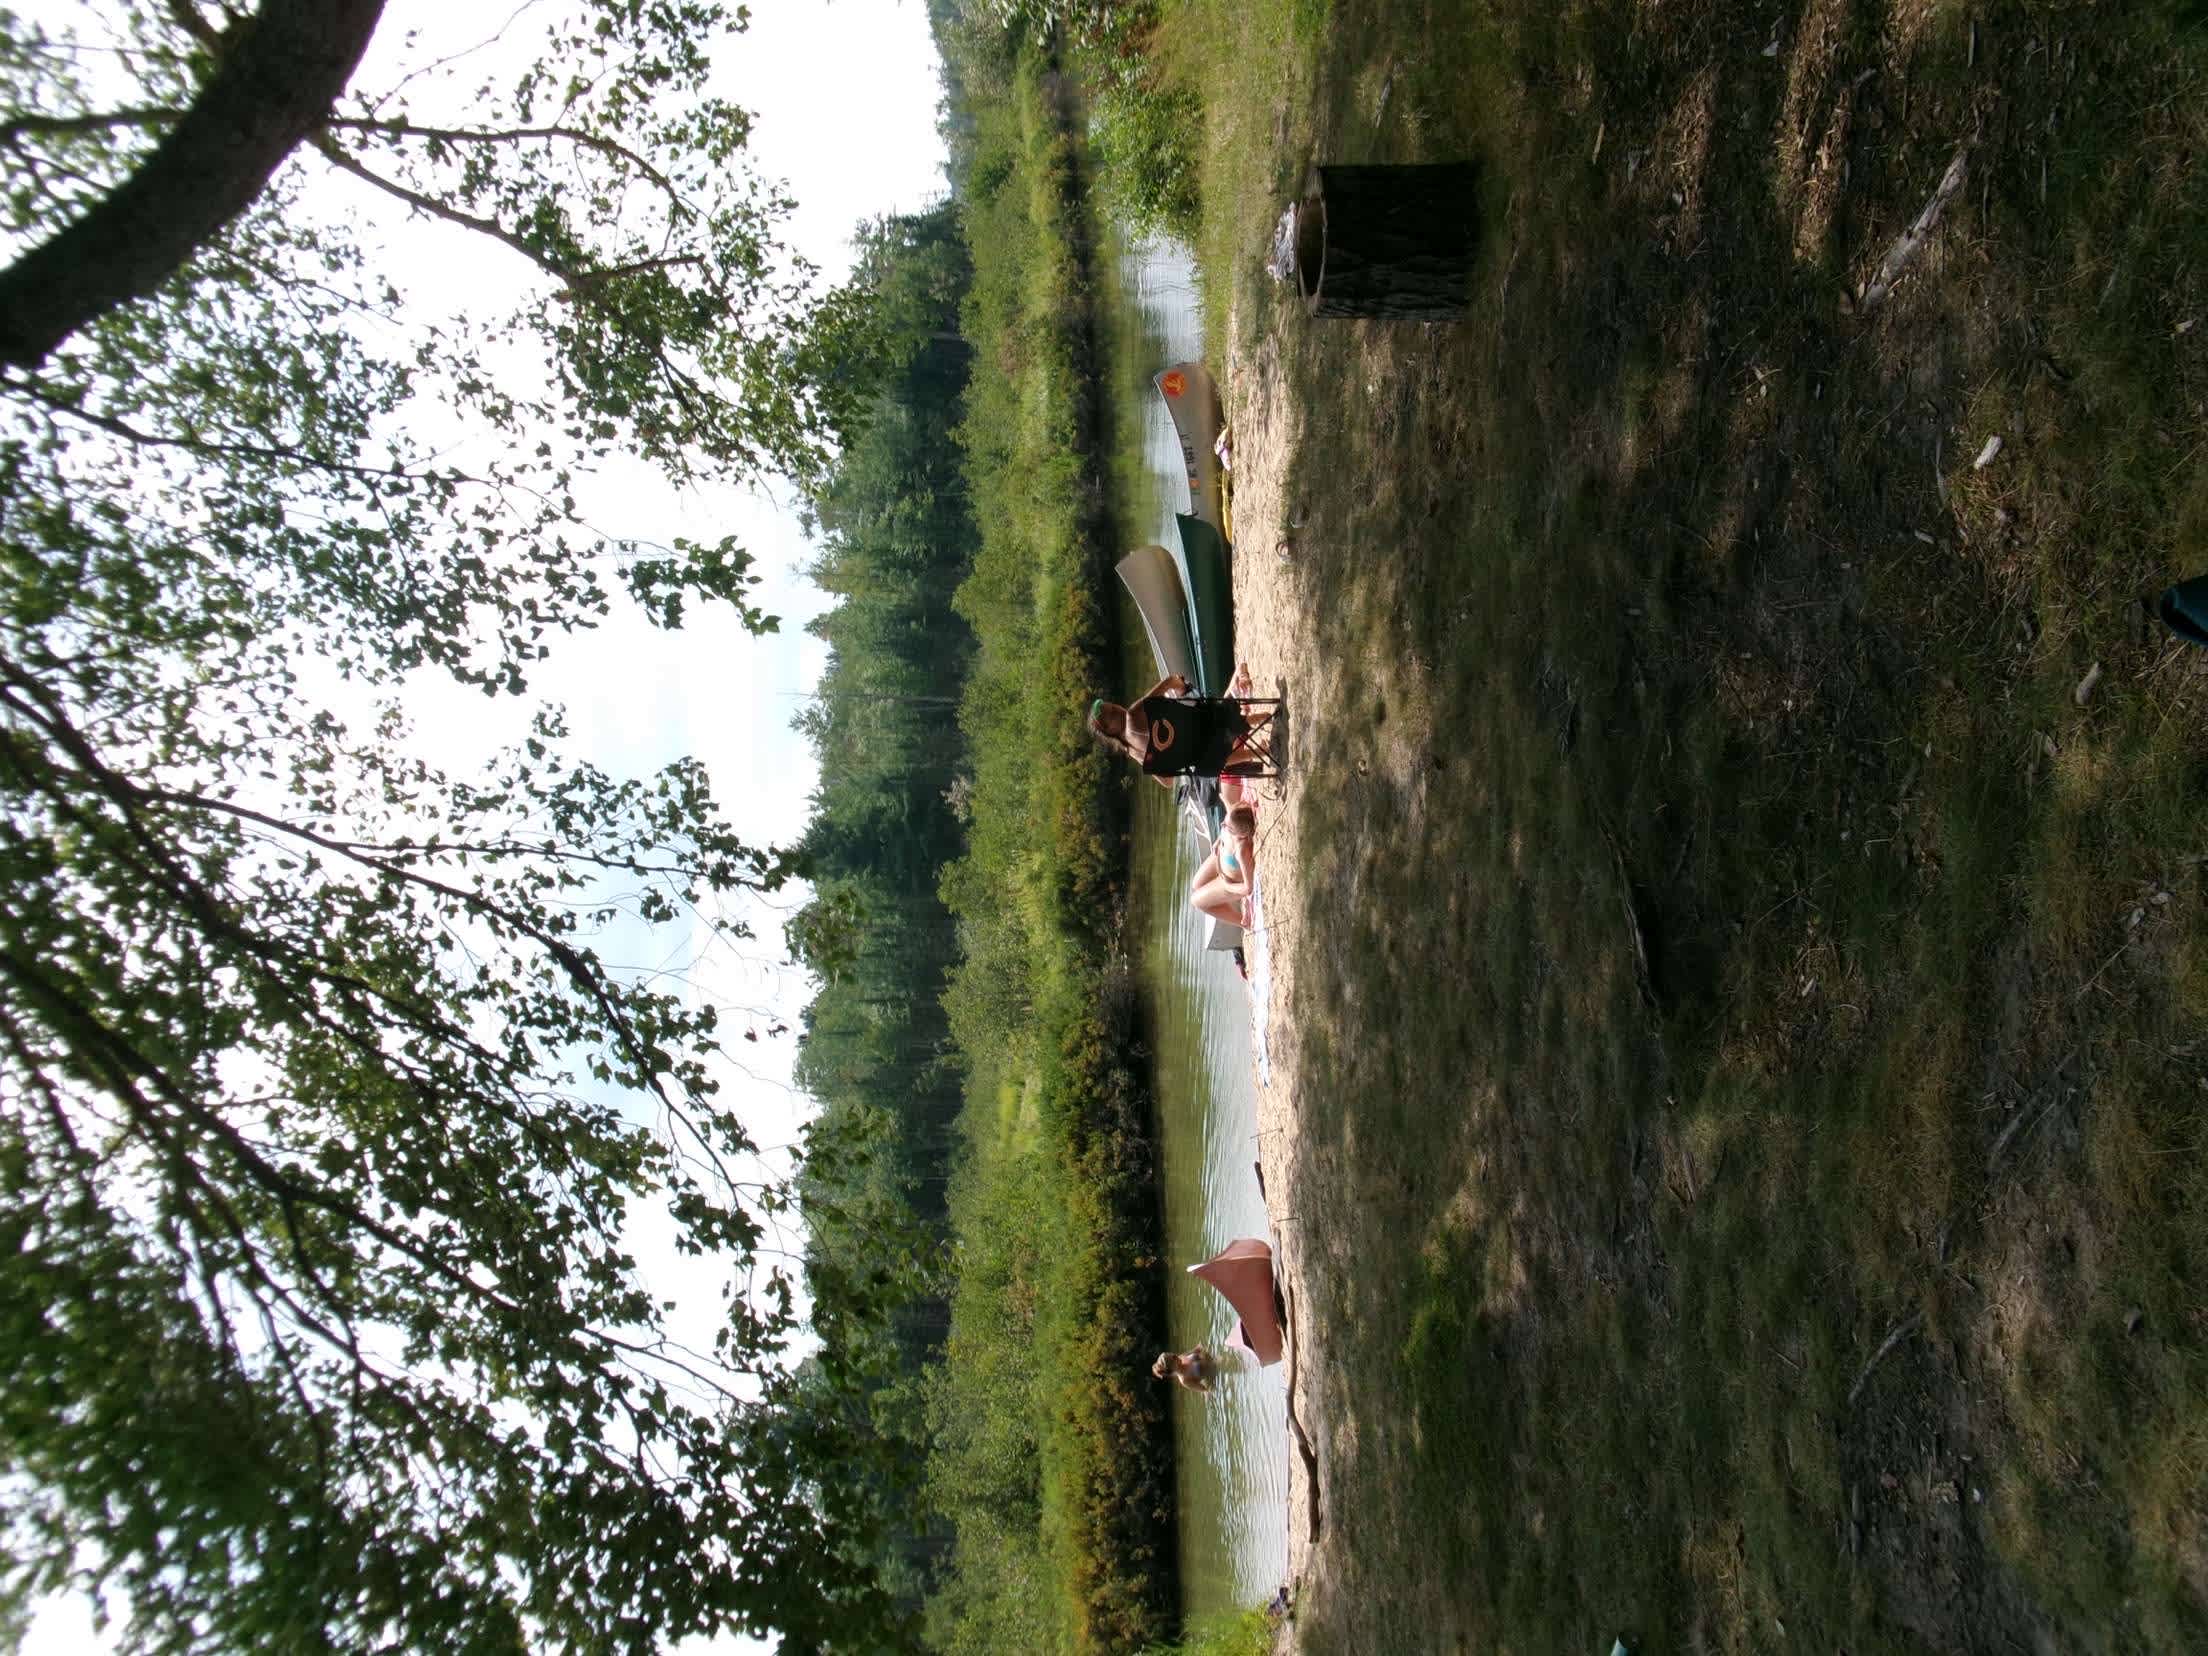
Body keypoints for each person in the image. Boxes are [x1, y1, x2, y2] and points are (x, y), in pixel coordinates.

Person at [1086, 664, 1274, 784]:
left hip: (1206, 760)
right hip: (1205, 723)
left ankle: (1258, 752)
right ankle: (1265, 717)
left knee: (1205, 759)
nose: (1116, 709)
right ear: (1109, 731)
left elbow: (1167, 782)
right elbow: (1169, 682)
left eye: (1111, 707)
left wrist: (1176, 752)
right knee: (1208, 712)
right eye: (1111, 714)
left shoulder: (1132, 752)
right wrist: (1181, 687)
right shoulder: (1132, 715)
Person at [1187, 804, 1257, 928]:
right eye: (1224, 822)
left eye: (1228, 828)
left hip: (1228, 880)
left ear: (1241, 835)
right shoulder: (1234, 816)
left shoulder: (1241, 850)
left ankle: (1243, 922)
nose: (1222, 826)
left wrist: (1228, 886)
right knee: (1195, 884)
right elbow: (1228, 820)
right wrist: (1219, 840)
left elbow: (1248, 888)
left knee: (1196, 901)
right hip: (1218, 857)